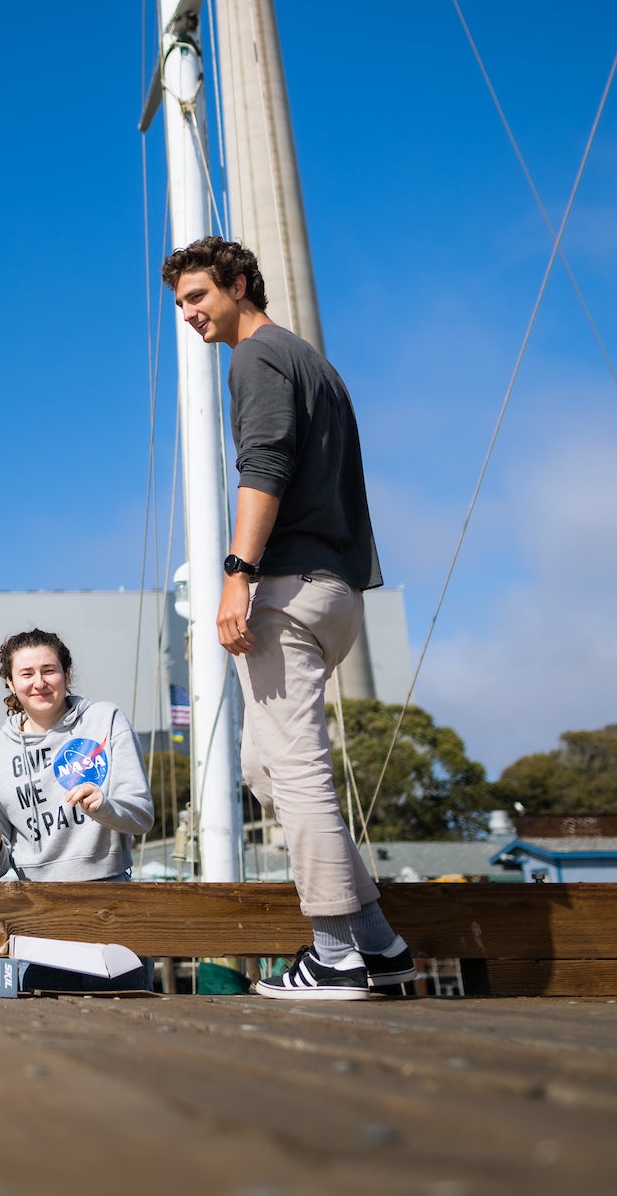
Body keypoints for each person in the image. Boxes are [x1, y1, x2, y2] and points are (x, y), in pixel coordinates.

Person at [164, 235, 417, 1000]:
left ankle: (335, 952)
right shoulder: (317, 364)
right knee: (263, 769)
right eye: (180, 304)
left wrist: (237, 573)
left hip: (290, 586)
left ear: (240, 284)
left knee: (296, 769)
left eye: (199, 296)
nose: (189, 314)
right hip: (335, 591)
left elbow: (263, 465)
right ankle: (380, 942)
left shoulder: (258, 356)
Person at [0, 628, 155, 992]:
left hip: (110, 897)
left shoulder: (104, 720)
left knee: (126, 1025)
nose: (39, 682)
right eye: (26, 673)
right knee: (46, 1034)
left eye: (49, 670)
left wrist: (106, 807)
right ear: (10, 682)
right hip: (37, 909)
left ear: (66, 673)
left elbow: (142, 816)